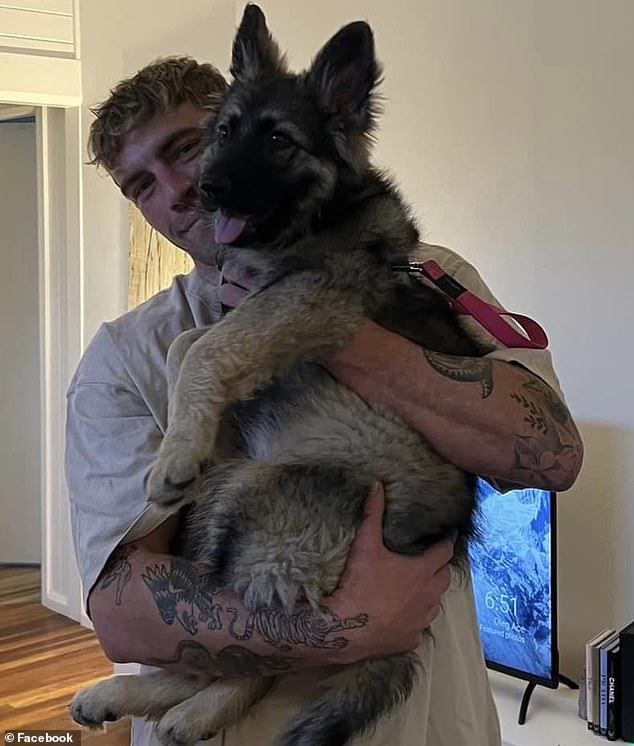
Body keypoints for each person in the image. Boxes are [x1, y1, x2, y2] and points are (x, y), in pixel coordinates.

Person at [66, 57, 583, 746]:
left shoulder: (428, 274)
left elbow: (551, 457)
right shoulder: (121, 360)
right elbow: (122, 614)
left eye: (187, 148)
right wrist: (346, 627)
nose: (175, 192)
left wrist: (326, 323)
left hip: (426, 727)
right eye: (140, 186)